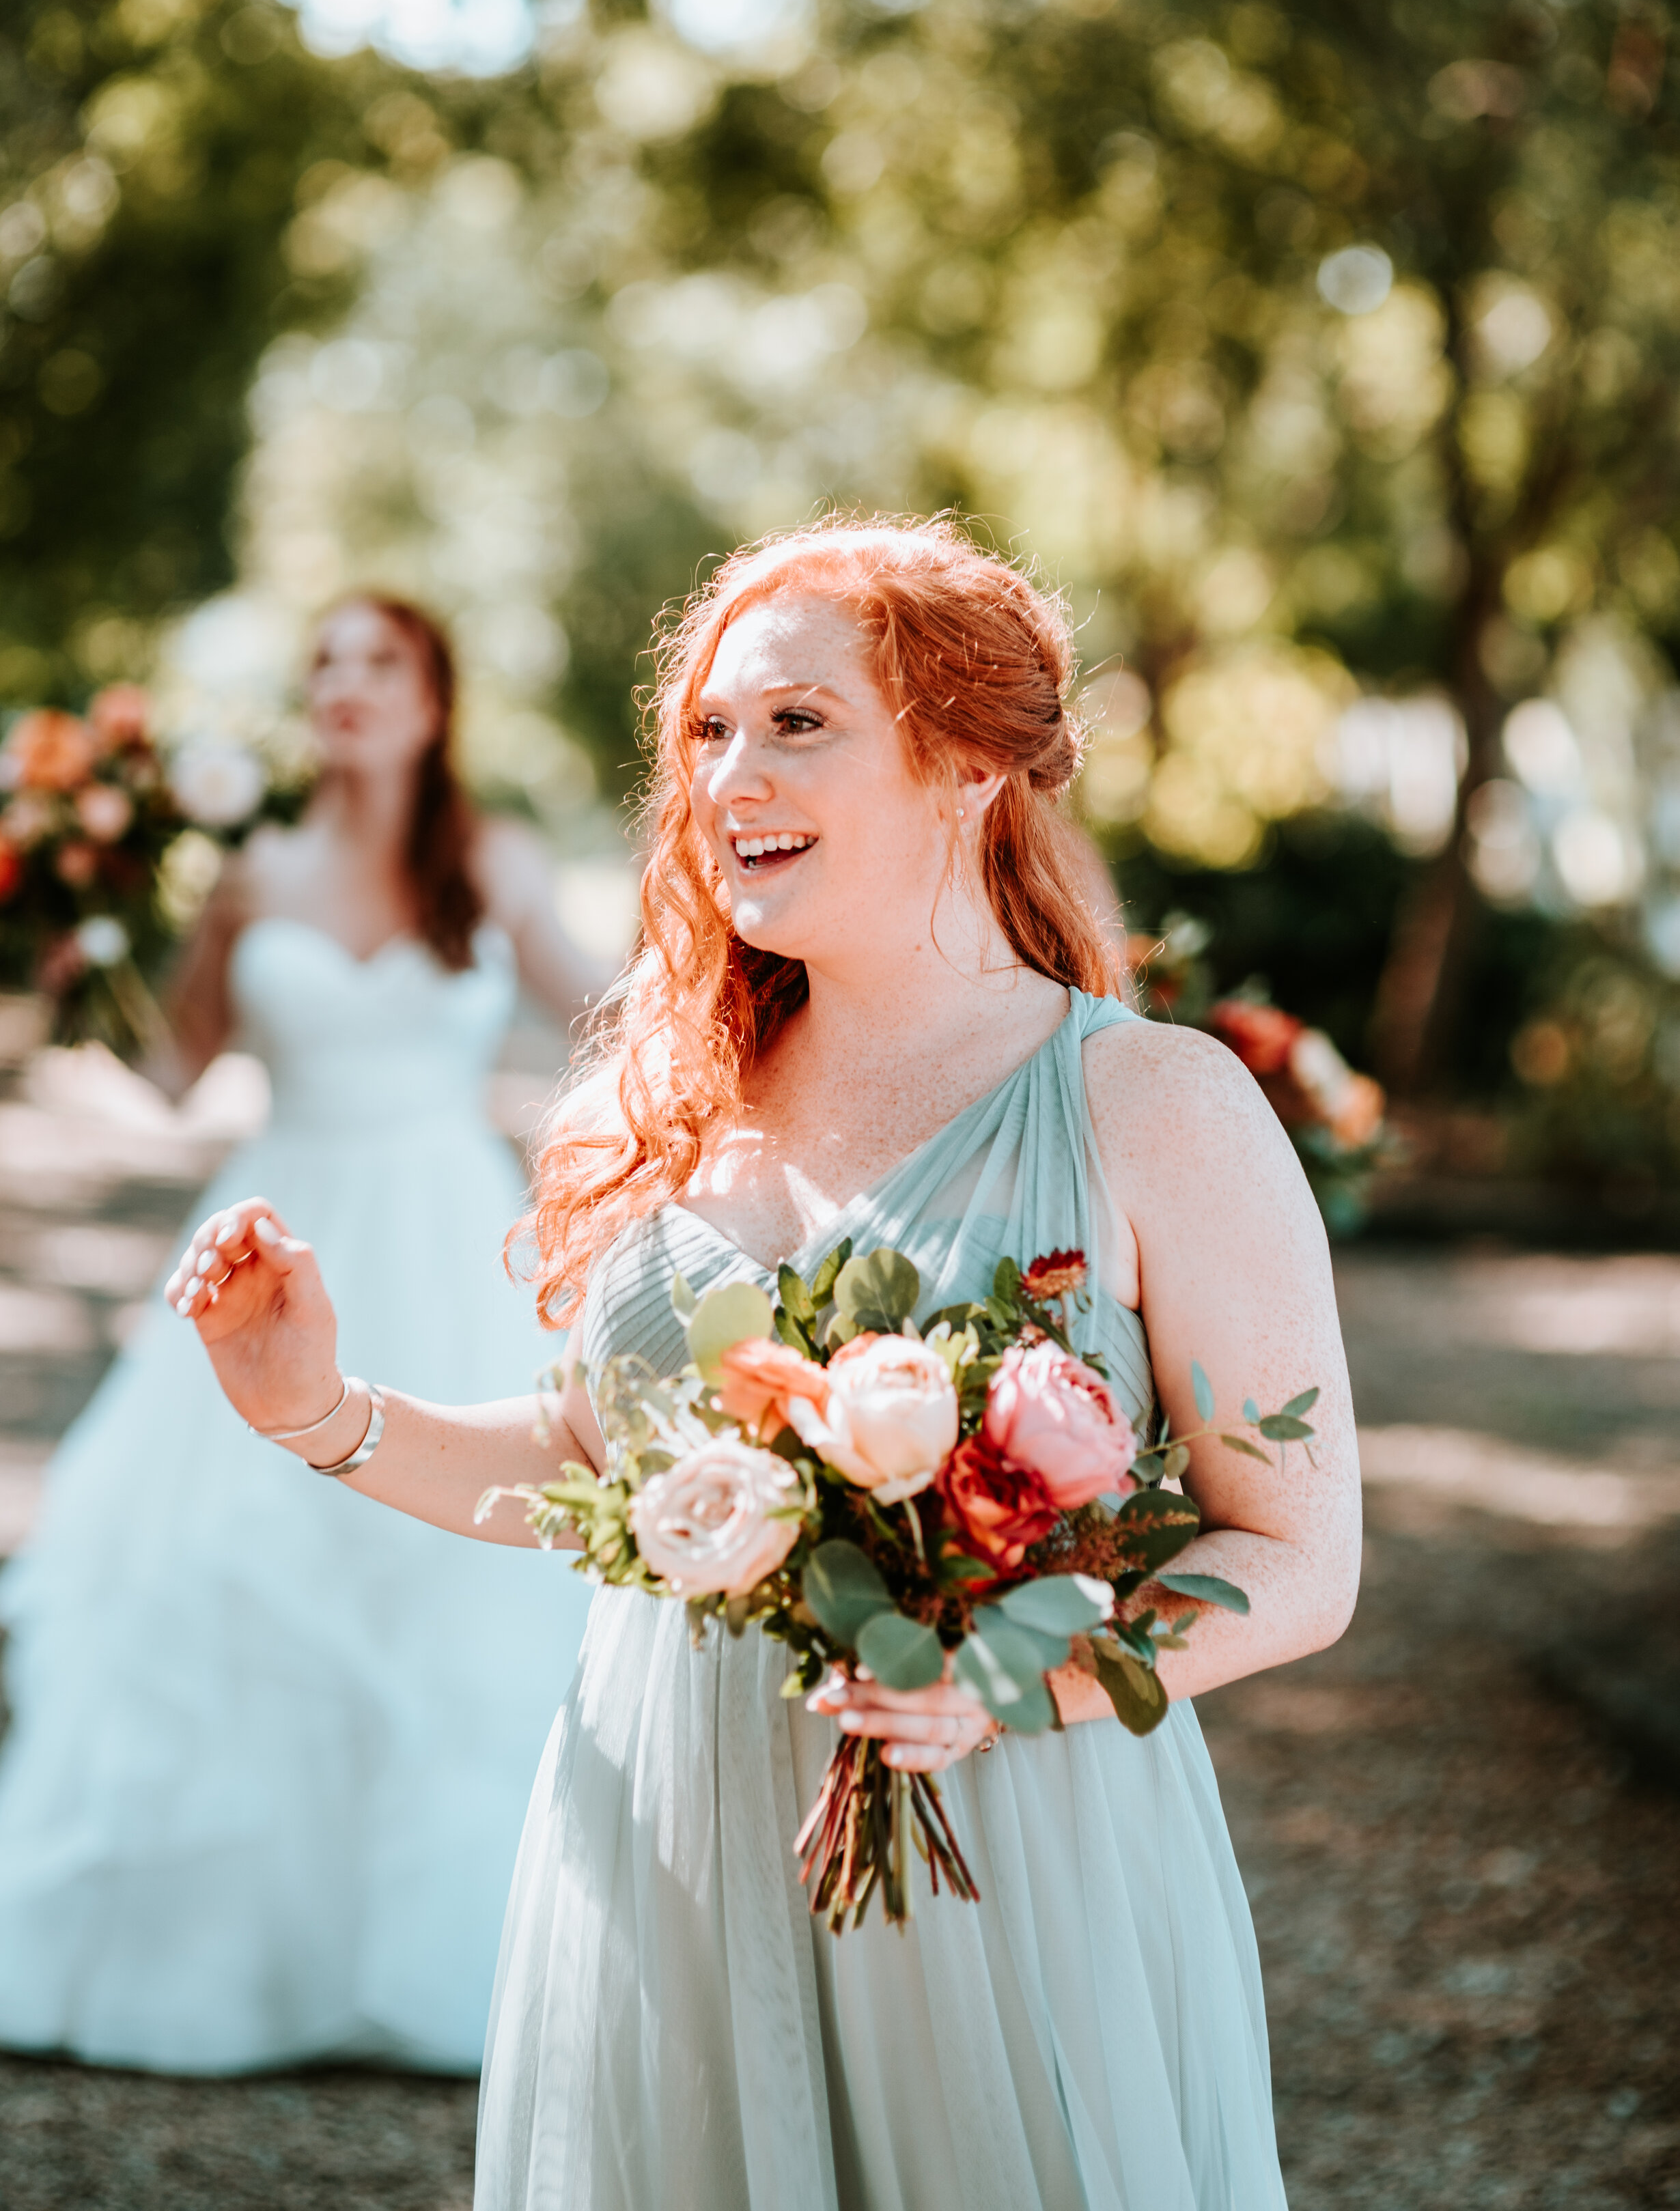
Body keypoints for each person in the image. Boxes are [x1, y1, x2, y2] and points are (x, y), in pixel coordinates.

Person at [167, 524, 1361, 2209]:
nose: (731, 774)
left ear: (968, 765)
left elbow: (1296, 1553)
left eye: (799, 722)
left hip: (1006, 1854)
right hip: (669, 1834)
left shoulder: (1153, 1102)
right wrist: (317, 1408)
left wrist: (1018, 1679)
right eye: (710, 731)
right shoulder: (665, 1106)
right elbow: (600, 1458)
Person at [0, 595, 606, 2077]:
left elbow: (619, 1021)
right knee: (219, 1559)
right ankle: (221, 1966)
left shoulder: (493, 860)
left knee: (468, 1566)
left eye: (380, 662)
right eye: (324, 662)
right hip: (273, 1232)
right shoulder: (251, 870)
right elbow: (170, 1072)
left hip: (451, 1237)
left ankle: (451, 1964)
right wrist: (77, 964)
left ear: (434, 701)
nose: (345, 685)